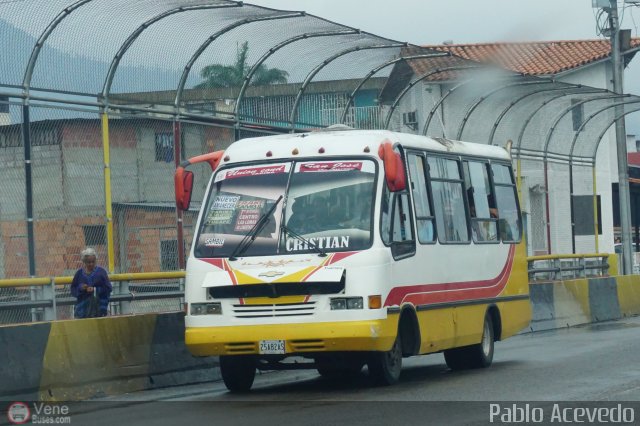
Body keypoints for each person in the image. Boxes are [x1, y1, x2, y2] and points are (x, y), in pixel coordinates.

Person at [70, 248, 112, 318]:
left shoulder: (101, 272)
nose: (91, 264)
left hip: (99, 309)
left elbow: (108, 288)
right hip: (83, 311)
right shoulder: (79, 274)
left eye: (93, 262)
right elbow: (73, 289)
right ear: (84, 262)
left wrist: (95, 289)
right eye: (89, 262)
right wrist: (81, 288)